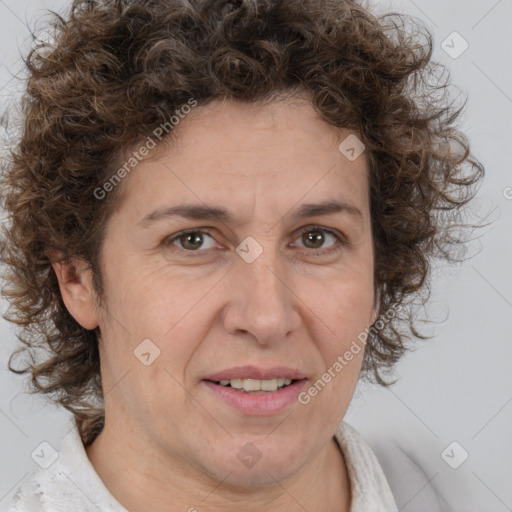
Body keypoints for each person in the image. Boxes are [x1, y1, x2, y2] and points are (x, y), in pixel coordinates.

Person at [0, 0, 484, 510]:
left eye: (316, 238)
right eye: (193, 240)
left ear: (378, 272)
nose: (266, 317)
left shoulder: (458, 493)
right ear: (78, 278)